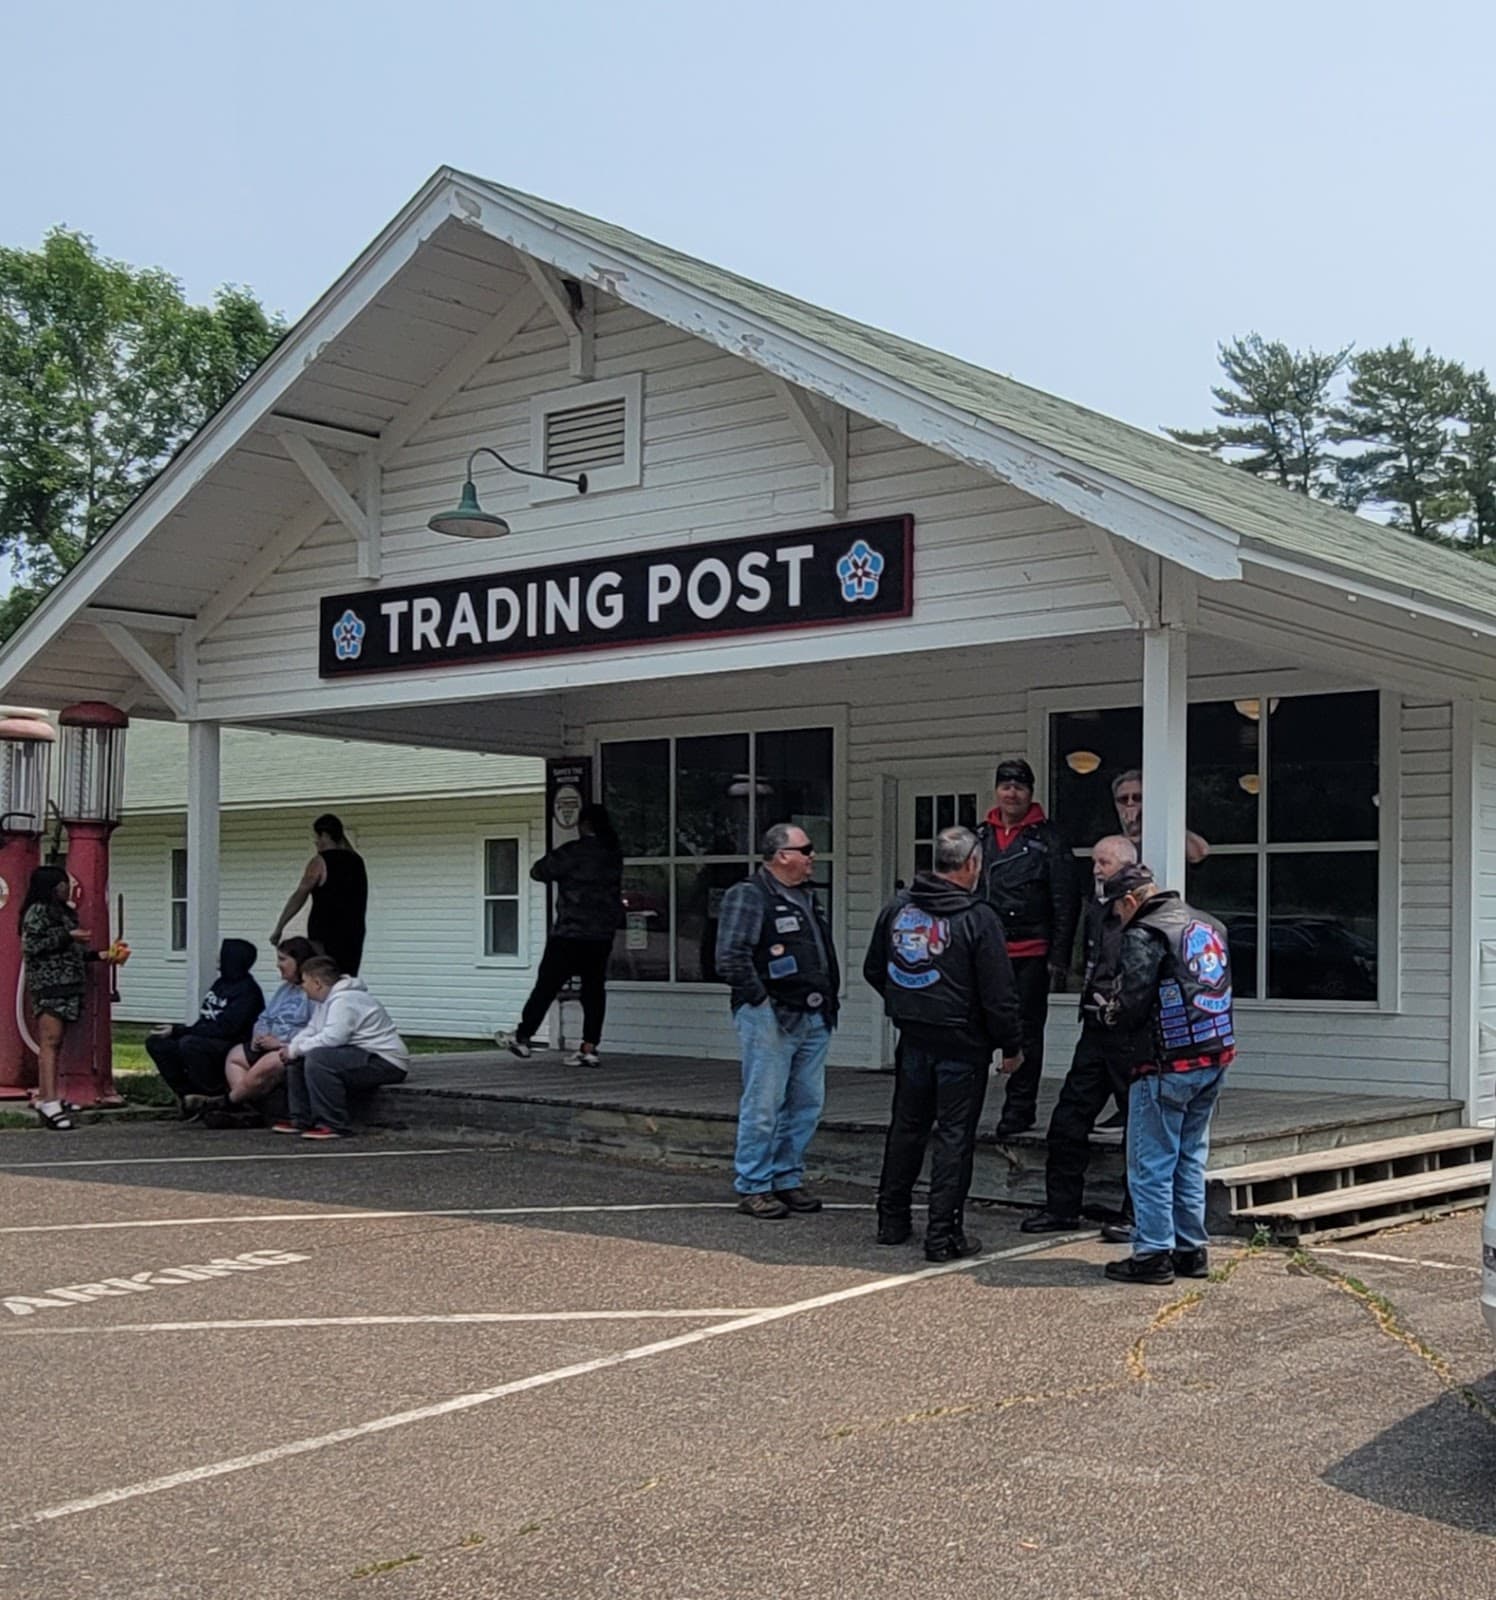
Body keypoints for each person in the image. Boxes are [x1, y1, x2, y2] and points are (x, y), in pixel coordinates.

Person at [865, 825, 1023, 1262]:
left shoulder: (897, 907)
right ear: (972, 864)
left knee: (906, 1128)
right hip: (962, 1043)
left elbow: (874, 969)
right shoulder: (978, 917)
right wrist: (1011, 1045)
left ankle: (891, 1221)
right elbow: (999, 994)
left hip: (914, 1036)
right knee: (954, 1138)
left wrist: (908, 1002)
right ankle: (943, 1236)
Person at [1091, 863, 1236, 1285]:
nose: (1116, 919)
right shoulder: (1209, 924)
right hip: (1214, 1053)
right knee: (1190, 1156)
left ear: (1130, 900)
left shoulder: (1146, 932)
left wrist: (1110, 1011)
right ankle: (1191, 1250)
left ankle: (1153, 1253)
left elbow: (1133, 1002)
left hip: (1164, 1062)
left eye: (1116, 910)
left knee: (1151, 1163)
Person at [715, 823, 839, 1219]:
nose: (812, 856)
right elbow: (730, 957)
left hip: (813, 1013)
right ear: (782, 855)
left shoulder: (806, 896)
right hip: (771, 1014)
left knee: (806, 1104)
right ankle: (754, 1184)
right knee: (764, 1104)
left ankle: (787, 1177)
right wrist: (761, 1001)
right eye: (806, 849)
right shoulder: (749, 895)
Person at [1021, 834, 1138, 1236]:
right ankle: (1061, 1208)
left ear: (1126, 867)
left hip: (1129, 1034)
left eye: (1104, 863)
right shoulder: (1096, 909)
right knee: (1068, 1120)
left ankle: (1136, 1214)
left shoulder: (1141, 912)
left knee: (1139, 1127)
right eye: (1094, 863)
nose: (1096, 870)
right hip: (1094, 1028)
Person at [975, 758, 1076, 1138]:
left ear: (1030, 793)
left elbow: (1066, 899)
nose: (1012, 793)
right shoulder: (979, 836)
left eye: (1019, 787)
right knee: (976, 1026)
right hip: (986, 950)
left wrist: (1059, 956)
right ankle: (966, 1104)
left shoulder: (1049, 839)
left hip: (1031, 949)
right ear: (996, 791)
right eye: (1006, 786)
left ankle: (1019, 1109)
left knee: (1027, 1032)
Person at [502, 802, 624, 1068]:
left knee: (547, 986)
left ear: (584, 824)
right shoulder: (613, 854)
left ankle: (523, 1036)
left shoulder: (574, 852)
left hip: (570, 932)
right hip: (601, 934)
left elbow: (539, 871)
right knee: (593, 990)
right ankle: (589, 1047)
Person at [18, 865, 127, 1131]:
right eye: (63, 884)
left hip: (69, 984)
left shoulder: (64, 912)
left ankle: (49, 1095)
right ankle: (49, 1101)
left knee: (58, 1043)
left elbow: (72, 951)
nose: (67, 888)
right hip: (49, 984)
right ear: (52, 887)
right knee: (50, 1041)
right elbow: (31, 946)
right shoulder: (37, 912)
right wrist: (68, 935)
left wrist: (101, 955)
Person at [185, 937, 316, 1125]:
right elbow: (265, 1017)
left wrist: (281, 1042)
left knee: (268, 1064)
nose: (278, 965)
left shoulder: (312, 992)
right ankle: (248, 1111)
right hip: (268, 1042)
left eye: (283, 959)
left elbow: (313, 1028)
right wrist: (259, 1035)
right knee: (236, 1056)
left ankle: (224, 1102)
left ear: (299, 961)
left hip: (290, 1047)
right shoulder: (284, 990)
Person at [277, 956, 409, 1140]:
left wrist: (295, 1050)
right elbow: (312, 1029)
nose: (302, 986)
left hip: (385, 1061)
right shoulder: (326, 1001)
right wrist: (293, 1049)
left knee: (319, 1059)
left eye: (304, 981)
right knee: (300, 1058)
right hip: (359, 1054)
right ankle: (301, 1119)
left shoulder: (346, 1000)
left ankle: (332, 1124)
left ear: (317, 983)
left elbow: (333, 1037)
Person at [145, 939, 264, 1114]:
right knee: (158, 1043)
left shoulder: (248, 992)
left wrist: (181, 1031)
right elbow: (207, 1019)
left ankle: (213, 1096)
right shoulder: (221, 983)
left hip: (230, 1043)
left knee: (190, 1045)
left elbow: (226, 1029)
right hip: (206, 1036)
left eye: (222, 953)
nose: (217, 957)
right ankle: (187, 1093)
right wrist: (178, 1031)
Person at [270, 813, 368, 976]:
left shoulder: (320, 861)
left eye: (317, 836)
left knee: (321, 977)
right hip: (353, 932)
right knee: (346, 976)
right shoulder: (357, 861)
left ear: (324, 835)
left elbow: (300, 895)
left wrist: (280, 927)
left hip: (324, 934)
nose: (315, 841)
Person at [1110, 770, 1210, 866]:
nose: (1130, 803)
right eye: (1123, 799)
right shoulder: (1111, 843)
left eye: (1137, 798)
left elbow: (1199, 853)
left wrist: (1157, 818)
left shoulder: (1165, 836)